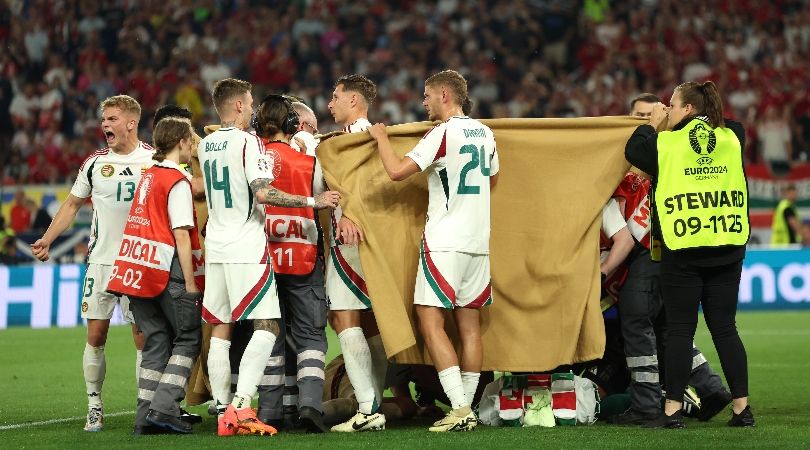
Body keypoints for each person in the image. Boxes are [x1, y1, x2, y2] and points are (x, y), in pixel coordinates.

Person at [198, 78, 339, 437]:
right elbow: (263, 193)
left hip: (218, 245)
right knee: (278, 328)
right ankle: (247, 406)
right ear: (241, 106)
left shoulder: (208, 145)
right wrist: (313, 202)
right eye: (248, 100)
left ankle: (228, 409)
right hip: (259, 247)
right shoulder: (260, 147)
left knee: (222, 329)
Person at [369, 69, 499, 432]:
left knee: (430, 320)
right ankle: (467, 408)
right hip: (478, 242)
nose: (423, 102)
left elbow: (396, 172)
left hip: (444, 241)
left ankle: (459, 408)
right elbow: (493, 178)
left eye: (427, 95)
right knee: (470, 327)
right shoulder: (485, 133)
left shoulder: (440, 134)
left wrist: (381, 137)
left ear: (444, 94)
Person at [625, 81, 754, 428]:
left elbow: (635, 150)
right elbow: (733, 126)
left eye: (672, 104)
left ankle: (672, 412)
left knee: (680, 331)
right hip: (728, 246)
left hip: (684, 250)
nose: (667, 108)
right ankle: (742, 410)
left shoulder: (665, 143)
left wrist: (653, 122)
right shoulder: (732, 136)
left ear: (687, 110)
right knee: (726, 329)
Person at [607, 94, 732, 426]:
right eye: (636, 115)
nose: (643, 122)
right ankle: (711, 388)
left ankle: (647, 404)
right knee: (665, 329)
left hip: (654, 252)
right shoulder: (667, 151)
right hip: (673, 254)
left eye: (649, 115)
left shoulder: (662, 151)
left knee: (636, 323)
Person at [31, 94, 151, 432]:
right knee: (96, 335)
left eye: (112, 118)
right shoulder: (96, 162)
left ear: (131, 122)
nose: (104, 125)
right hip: (100, 262)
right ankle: (94, 406)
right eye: (104, 120)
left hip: (139, 262)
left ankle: (144, 404)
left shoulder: (154, 158)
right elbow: (71, 205)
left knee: (142, 337)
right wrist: (48, 238)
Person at [107, 117, 204, 435]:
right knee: (188, 339)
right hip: (164, 270)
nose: (191, 148)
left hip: (134, 270)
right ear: (180, 142)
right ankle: (164, 409)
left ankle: (144, 418)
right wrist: (190, 283)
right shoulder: (176, 180)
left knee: (156, 341)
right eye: (190, 142)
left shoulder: (149, 176)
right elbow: (180, 234)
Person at [252, 94, 331, 433]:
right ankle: (310, 405)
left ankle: (271, 411)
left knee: (270, 335)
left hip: (264, 259)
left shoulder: (251, 160)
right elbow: (319, 205)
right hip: (303, 255)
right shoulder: (309, 162)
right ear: (291, 125)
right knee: (311, 335)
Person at [324, 75, 391, 433]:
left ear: (353, 101)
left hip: (350, 241)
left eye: (335, 97)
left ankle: (367, 407)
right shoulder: (378, 137)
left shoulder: (353, 141)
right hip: (374, 242)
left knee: (345, 318)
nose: (330, 104)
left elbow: (361, 186)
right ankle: (373, 401)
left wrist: (348, 213)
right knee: (371, 323)